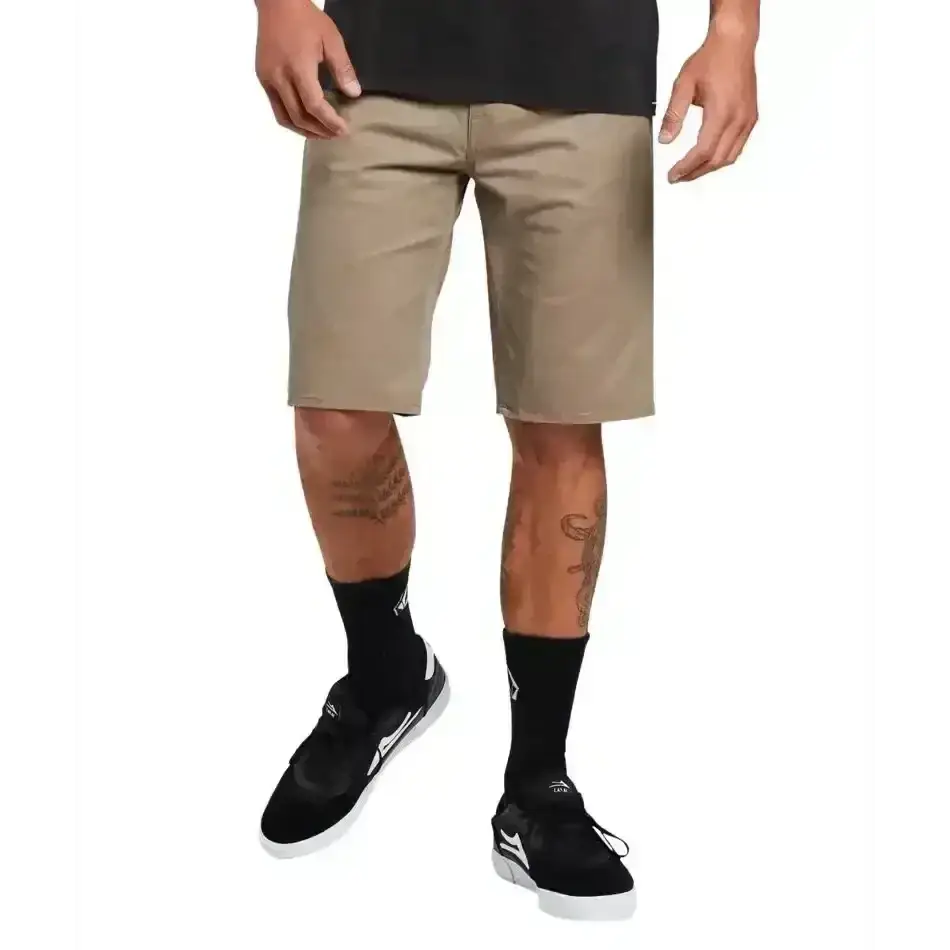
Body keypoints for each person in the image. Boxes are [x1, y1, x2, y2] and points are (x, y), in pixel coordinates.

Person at [254, 0, 759, 920]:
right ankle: (386, 675)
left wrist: (735, 32)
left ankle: (537, 786)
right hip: (375, 63)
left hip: (584, 72)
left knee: (561, 424)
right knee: (333, 407)